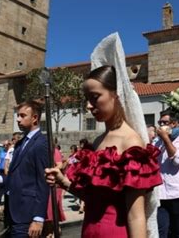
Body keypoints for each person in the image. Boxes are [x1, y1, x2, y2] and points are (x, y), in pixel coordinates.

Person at [45, 63, 162, 237]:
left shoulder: (130, 142)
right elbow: (93, 199)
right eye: (87, 98)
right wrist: (63, 181)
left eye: (94, 97)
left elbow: (136, 216)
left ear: (116, 94)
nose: (88, 106)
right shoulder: (98, 141)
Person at [0, 101, 49, 238]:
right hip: (13, 211)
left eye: (22, 115)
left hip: (27, 213)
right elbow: (17, 174)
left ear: (35, 118)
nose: (18, 119)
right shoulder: (21, 143)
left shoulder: (41, 144)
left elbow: (43, 182)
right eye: (17, 115)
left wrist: (38, 218)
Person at [155, 109, 179, 238]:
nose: (162, 126)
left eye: (165, 122)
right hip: (161, 193)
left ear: (174, 124)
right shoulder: (158, 141)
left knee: (178, 232)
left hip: (178, 193)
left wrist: (166, 138)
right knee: (162, 230)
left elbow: (176, 159)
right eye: (160, 122)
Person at [43, 141, 66, 237]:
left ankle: (53, 234)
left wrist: (49, 172)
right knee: (48, 218)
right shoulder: (45, 152)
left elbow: (59, 164)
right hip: (47, 186)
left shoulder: (54, 151)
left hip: (53, 187)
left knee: (51, 217)